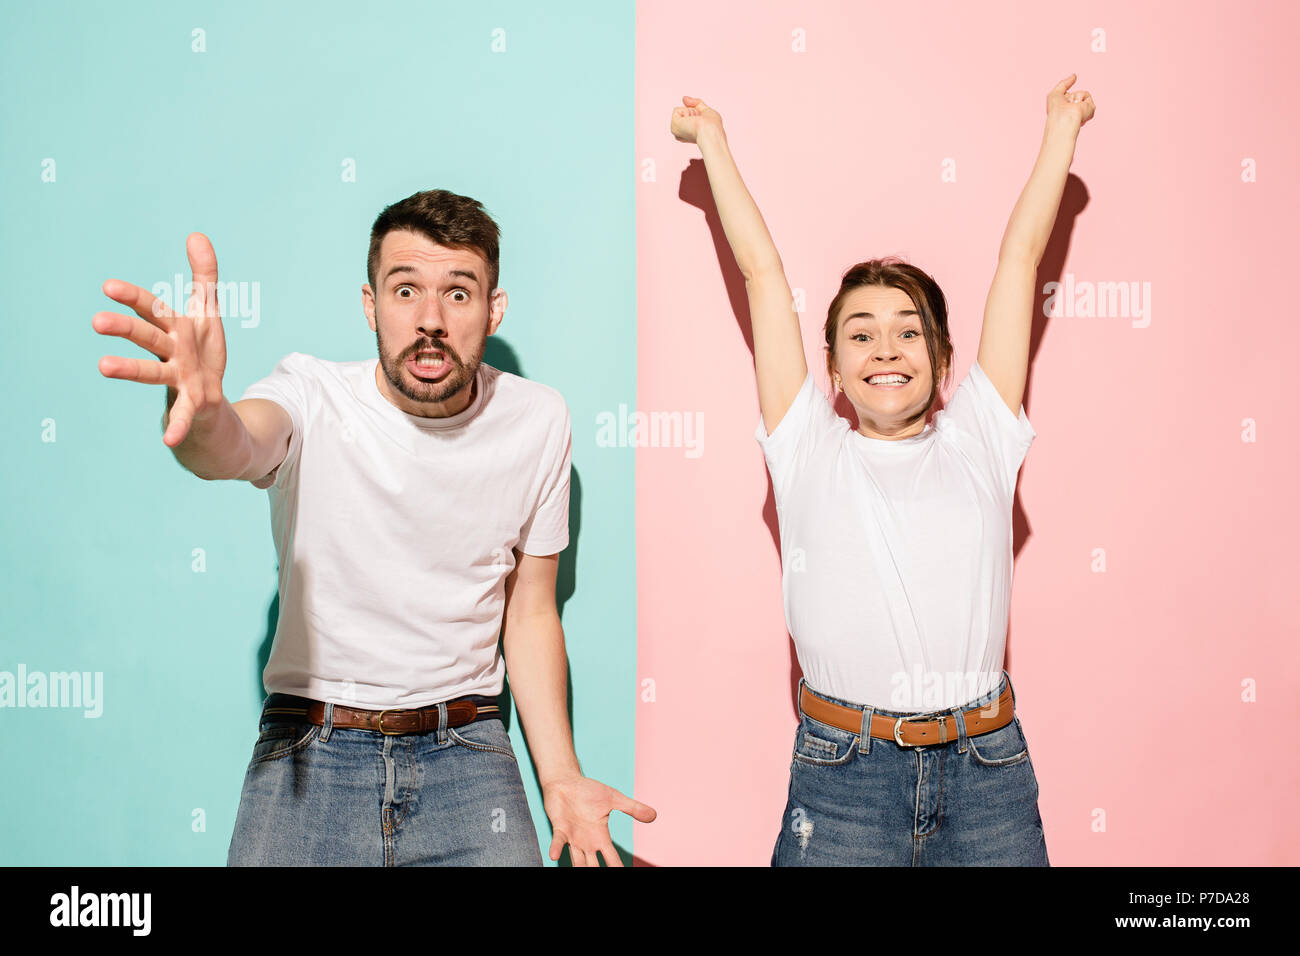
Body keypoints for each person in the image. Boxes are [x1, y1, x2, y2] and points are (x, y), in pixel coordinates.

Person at [92, 188, 654, 866]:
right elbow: (231, 446)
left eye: (457, 293)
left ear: (492, 308)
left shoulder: (538, 420)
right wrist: (201, 408)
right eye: (405, 289)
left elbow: (531, 611)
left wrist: (560, 779)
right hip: (311, 743)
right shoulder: (311, 392)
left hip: (468, 749)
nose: (429, 319)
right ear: (371, 304)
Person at [669, 76, 1095, 865]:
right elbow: (762, 274)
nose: (888, 349)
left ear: (941, 360)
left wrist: (1061, 131)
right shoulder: (806, 446)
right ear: (831, 367)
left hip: (986, 770)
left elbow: (1019, 259)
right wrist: (713, 145)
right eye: (861, 335)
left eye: (909, 332)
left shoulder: (981, 439)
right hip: (843, 775)